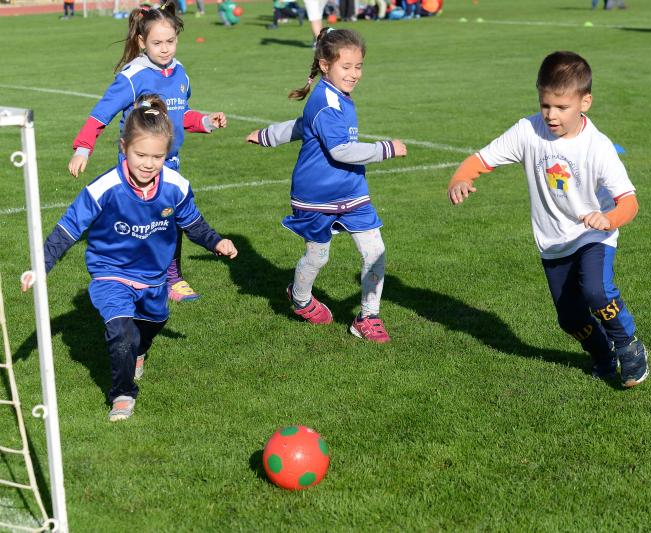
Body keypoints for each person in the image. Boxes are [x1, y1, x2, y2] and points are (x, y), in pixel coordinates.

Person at [22, 95, 238, 421]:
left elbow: (193, 223)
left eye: (158, 156)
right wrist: (40, 266)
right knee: (121, 332)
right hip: (110, 272)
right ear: (124, 147)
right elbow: (68, 229)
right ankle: (122, 394)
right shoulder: (104, 188)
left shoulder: (176, 186)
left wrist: (216, 241)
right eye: (141, 154)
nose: (149, 164)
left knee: (153, 323)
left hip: (153, 276)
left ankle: (140, 350)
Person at [447, 51, 649, 388]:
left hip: (593, 233)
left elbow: (629, 202)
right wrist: (461, 179)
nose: (551, 115)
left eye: (561, 107)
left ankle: (629, 347)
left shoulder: (597, 147)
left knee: (597, 291)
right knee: (570, 319)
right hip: (553, 240)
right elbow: (481, 159)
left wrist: (608, 218)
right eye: (545, 105)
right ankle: (601, 353)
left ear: (585, 102)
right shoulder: (528, 130)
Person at [245, 28, 407, 343]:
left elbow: (302, 126)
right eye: (346, 67)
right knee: (318, 257)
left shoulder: (335, 96)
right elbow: (341, 150)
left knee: (375, 252)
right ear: (325, 65)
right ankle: (301, 298)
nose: (354, 74)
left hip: (352, 192)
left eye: (358, 66)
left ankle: (367, 317)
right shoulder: (326, 102)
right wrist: (386, 148)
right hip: (315, 196)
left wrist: (267, 135)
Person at [67, 1, 228, 302]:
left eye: (170, 41)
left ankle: (172, 278)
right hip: (137, 166)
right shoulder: (133, 75)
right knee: (139, 225)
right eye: (157, 43)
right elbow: (100, 115)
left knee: (171, 218)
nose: (165, 49)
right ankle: (123, 277)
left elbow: (180, 115)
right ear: (142, 42)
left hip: (169, 163)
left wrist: (206, 121)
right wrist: (82, 149)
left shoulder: (180, 73)